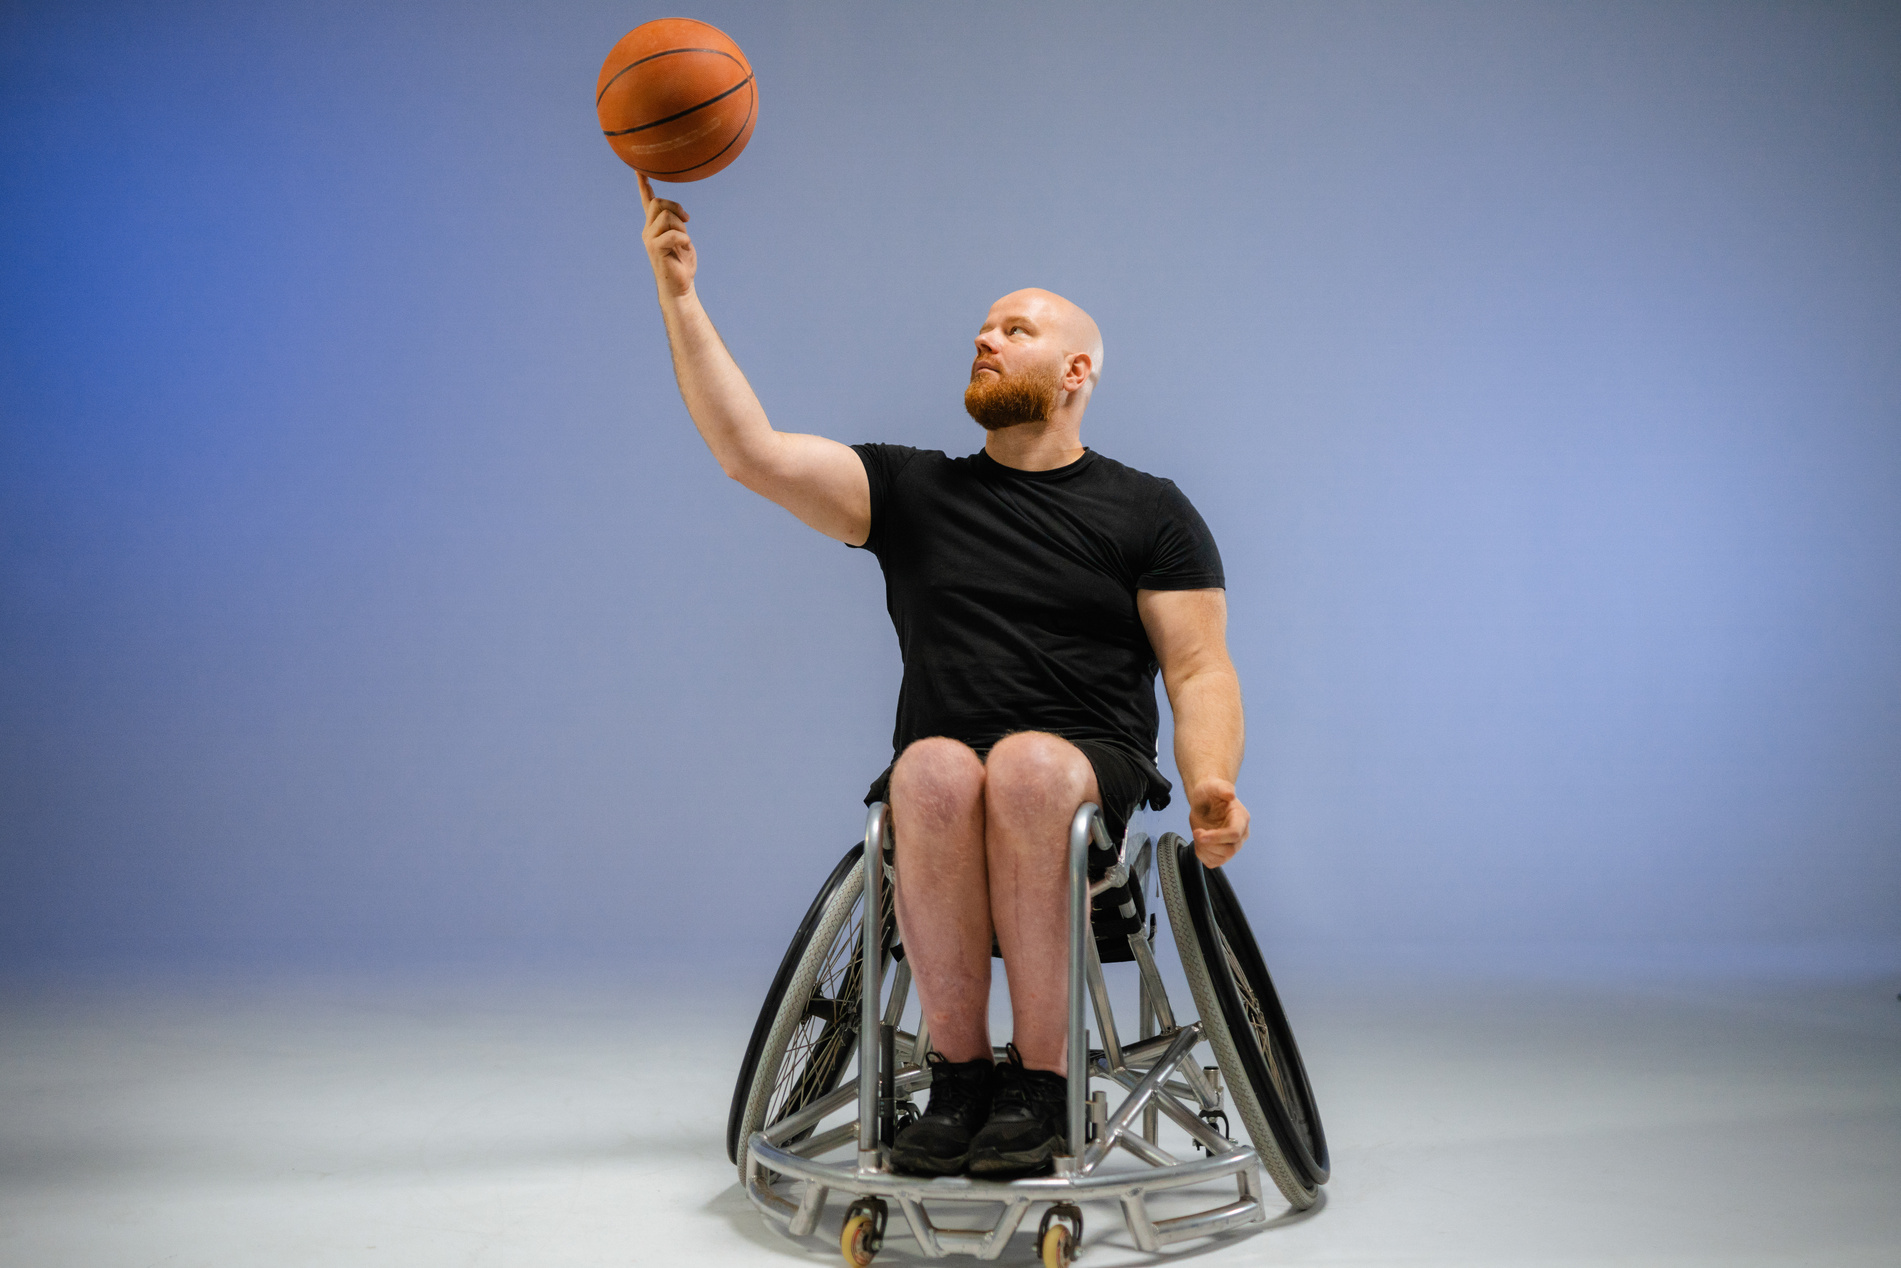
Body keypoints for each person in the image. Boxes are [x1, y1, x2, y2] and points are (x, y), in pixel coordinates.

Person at [636, 176, 1250, 1179]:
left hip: (1080, 770)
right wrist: (679, 295)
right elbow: (749, 453)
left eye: (1013, 329)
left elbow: (1198, 668)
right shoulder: (915, 489)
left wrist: (1212, 780)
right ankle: (960, 1079)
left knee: (1027, 768)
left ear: (1076, 370)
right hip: (947, 771)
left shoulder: (1150, 510)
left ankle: (1043, 1083)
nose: (984, 338)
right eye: (982, 327)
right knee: (928, 769)